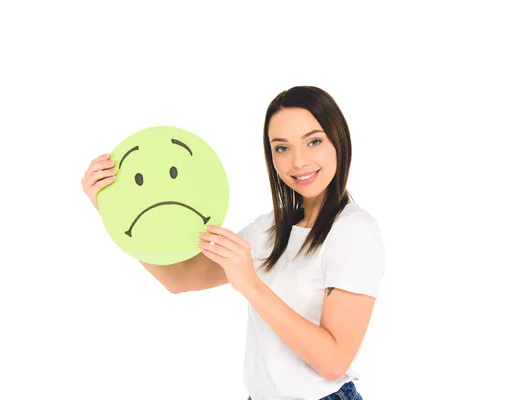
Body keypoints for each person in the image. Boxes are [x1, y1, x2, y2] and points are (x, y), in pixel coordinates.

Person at [81, 86, 385, 400]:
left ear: (339, 139)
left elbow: (334, 363)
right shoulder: (268, 229)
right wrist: (112, 212)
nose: (299, 161)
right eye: (282, 148)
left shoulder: (354, 231)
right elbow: (179, 278)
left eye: (314, 141)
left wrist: (251, 284)